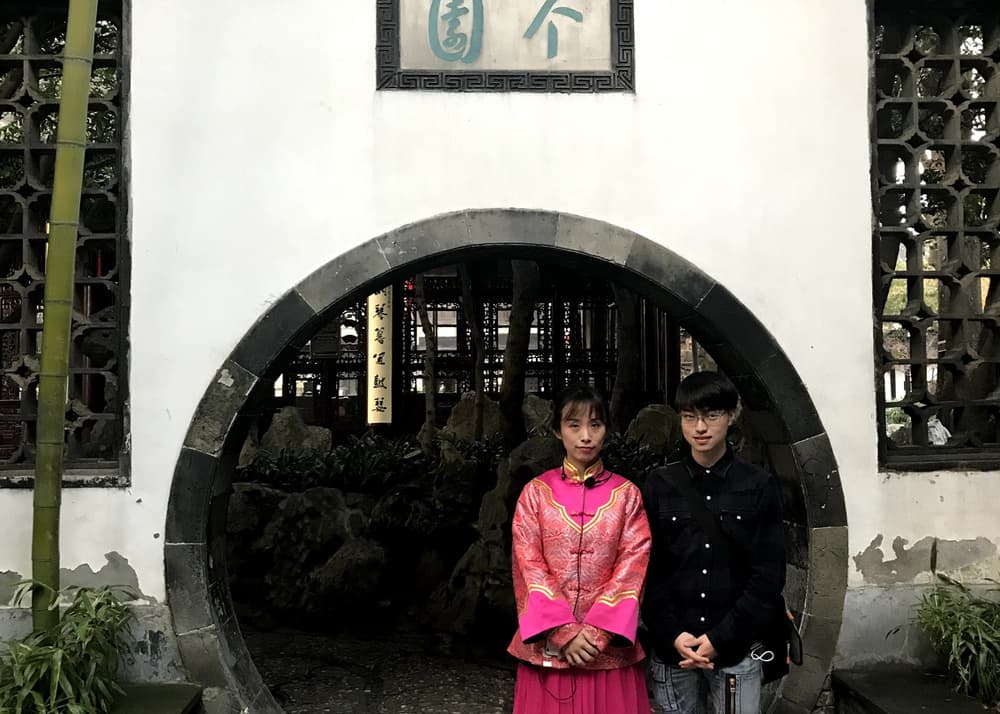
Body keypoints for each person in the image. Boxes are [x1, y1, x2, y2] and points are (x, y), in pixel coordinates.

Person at [641, 371, 786, 714]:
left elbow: (768, 575)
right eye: (689, 417)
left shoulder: (758, 485)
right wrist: (673, 634)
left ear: (732, 415)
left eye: (712, 415)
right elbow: (647, 568)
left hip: (737, 648)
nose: (700, 427)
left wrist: (720, 638)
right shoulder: (660, 485)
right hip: (674, 649)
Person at [508, 384, 652, 714]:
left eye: (595, 425)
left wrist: (598, 634)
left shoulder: (627, 496)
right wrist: (563, 632)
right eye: (574, 425)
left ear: (607, 430)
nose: (585, 436)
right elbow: (527, 564)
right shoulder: (535, 494)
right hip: (548, 646)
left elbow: (634, 566)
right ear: (557, 430)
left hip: (608, 650)